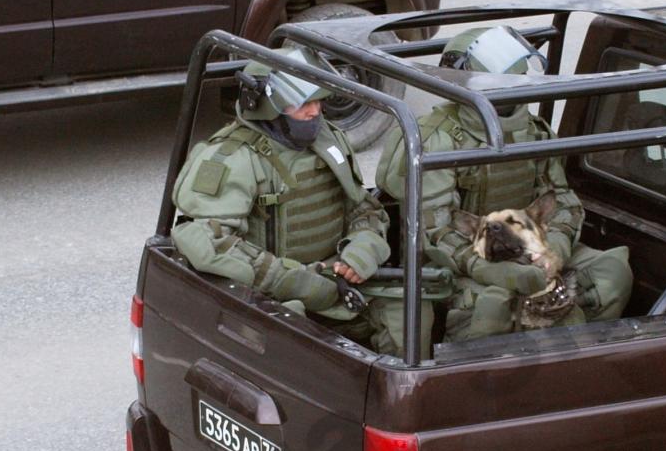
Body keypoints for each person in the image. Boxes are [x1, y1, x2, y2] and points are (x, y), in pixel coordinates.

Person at [377, 24, 633, 343]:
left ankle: (573, 348)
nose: (516, 86)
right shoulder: (438, 140)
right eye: (505, 80)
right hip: (463, 264)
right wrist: (494, 271)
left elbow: (561, 201)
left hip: (528, 247)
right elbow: (436, 229)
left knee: (611, 273)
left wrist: (553, 250)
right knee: (493, 306)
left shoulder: (533, 131)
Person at [172, 48, 402, 354]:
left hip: (341, 283)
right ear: (266, 108)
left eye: (318, 102)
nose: (314, 112)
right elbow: (209, 242)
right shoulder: (230, 159)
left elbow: (363, 207)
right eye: (302, 104)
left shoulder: (327, 140)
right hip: (275, 300)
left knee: (408, 315)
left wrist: (362, 249)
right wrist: (294, 281)